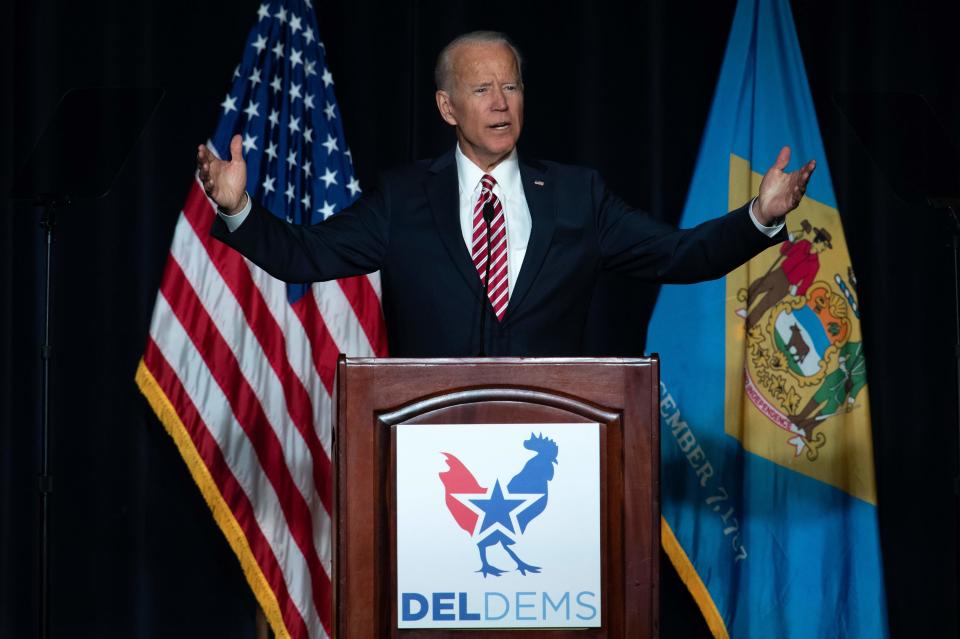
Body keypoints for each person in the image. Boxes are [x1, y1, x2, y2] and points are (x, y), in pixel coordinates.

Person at [197, 31, 816, 357]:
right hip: (432, 451)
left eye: (512, 87)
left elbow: (680, 255)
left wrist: (760, 216)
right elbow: (305, 255)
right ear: (447, 106)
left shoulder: (579, 195)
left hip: (552, 439)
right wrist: (236, 210)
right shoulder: (404, 197)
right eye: (482, 89)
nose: (500, 102)